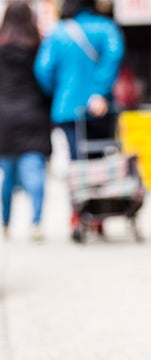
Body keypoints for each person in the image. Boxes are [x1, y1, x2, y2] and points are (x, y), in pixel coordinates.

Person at [34, 0, 125, 237]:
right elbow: (114, 55)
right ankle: (98, 214)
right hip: (101, 108)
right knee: (99, 159)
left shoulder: (57, 34)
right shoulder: (105, 28)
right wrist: (99, 90)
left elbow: (43, 70)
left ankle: (78, 214)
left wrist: (61, 90)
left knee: (76, 163)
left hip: (67, 108)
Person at [0, 1, 53, 242]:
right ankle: (36, 223)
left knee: (7, 175)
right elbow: (46, 80)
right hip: (32, 114)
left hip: (4, 118)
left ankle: (6, 224)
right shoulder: (38, 46)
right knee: (35, 172)